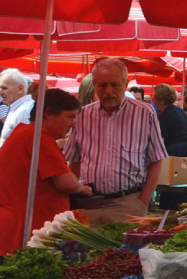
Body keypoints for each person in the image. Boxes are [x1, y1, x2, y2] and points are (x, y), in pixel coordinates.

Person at [63, 58, 168, 226]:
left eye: (115, 84)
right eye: (102, 85)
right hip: (89, 205)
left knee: (124, 251)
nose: (108, 91)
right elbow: (74, 162)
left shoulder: (144, 113)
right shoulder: (82, 116)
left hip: (128, 204)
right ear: (94, 85)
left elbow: (156, 160)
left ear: (125, 84)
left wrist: (143, 202)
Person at [0, 89, 91, 253]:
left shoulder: (24, 134)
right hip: (28, 236)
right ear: (48, 113)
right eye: (70, 116)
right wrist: (84, 189)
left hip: (16, 232)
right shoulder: (39, 137)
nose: (73, 123)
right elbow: (67, 183)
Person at [152, 84, 187, 158]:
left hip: (175, 152)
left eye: (155, 98)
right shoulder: (180, 111)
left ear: (161, 100)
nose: (153, 100)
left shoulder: (165, 115)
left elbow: (160, 140)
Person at [0, 69, 35, 145]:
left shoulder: (24, 111)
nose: (0, 92)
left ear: (20, 89)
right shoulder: (17, 108)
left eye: (4, 88)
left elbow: (26, 144)